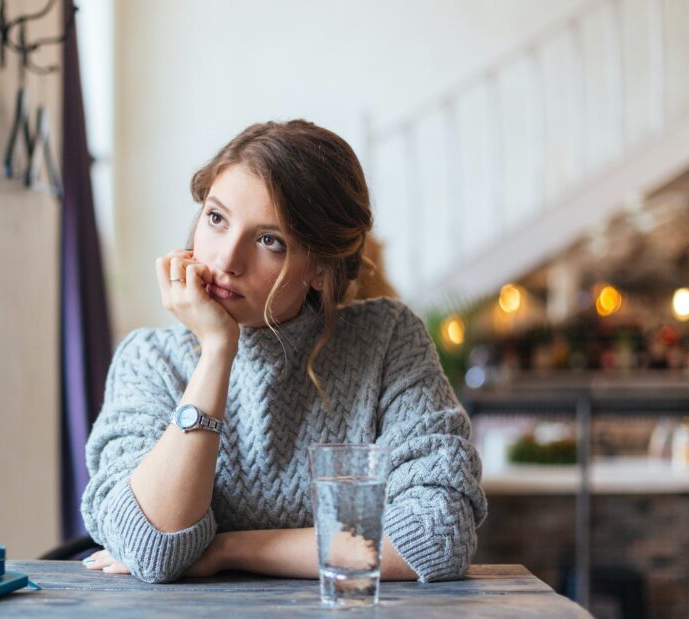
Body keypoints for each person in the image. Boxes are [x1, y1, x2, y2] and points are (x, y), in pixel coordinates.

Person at [80, 120, 486, 584]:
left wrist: (229, 549)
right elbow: (151, 549)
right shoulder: (149, 359)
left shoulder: (386, 340)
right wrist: (216, 351)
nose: (225, 261)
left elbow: (436, 537)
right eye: (216, 218)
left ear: (318, 267)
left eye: (269, 240)